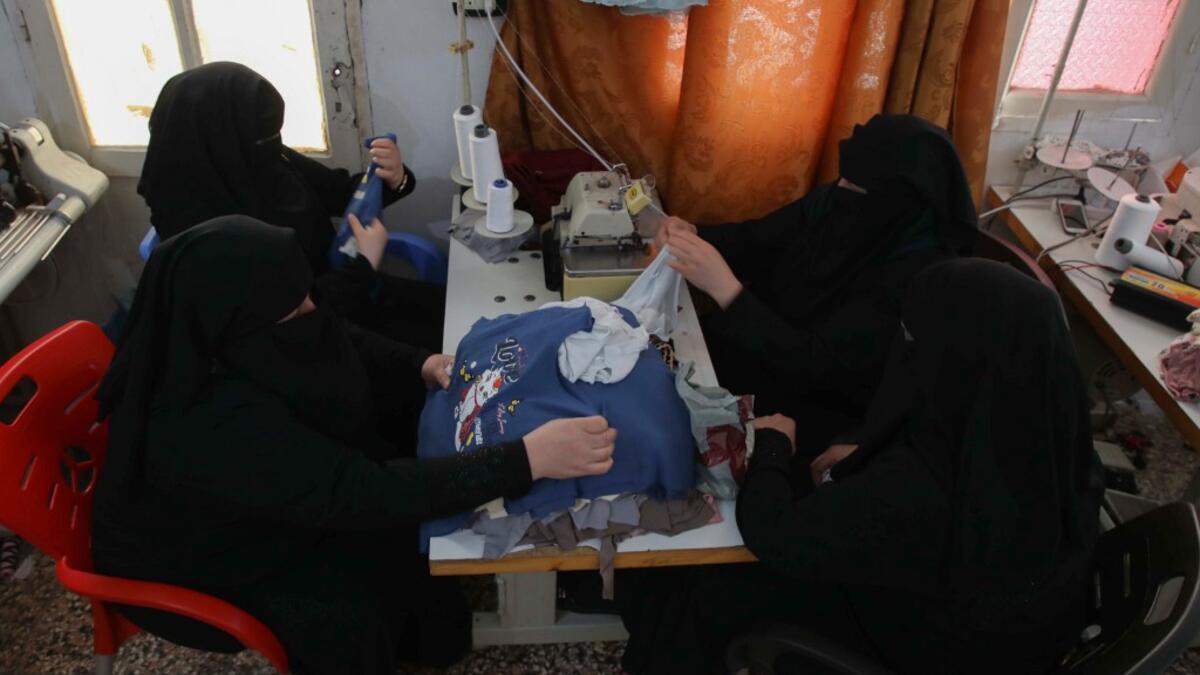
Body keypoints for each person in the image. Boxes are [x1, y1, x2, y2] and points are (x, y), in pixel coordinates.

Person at [90, 216, 618, 674]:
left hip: (265, 494)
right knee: (359, 604)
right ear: (232, 326)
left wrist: (420, 363)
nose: (310, 311)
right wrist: (528, 458)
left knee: (401, 477)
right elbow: (358, 490)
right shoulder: (206, 424)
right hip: (210, 557)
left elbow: (336, 332)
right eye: (292, 311)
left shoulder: (207, 335)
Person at [617, 259, 1104, 674]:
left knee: (700, 583)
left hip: (925, 648)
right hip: (1012, 635)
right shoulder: (1049, 432)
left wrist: (770, 445)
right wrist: (868, 449)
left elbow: (774, 535)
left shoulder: (915, 490)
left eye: (915, 336)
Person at [656, 114, 978, 452]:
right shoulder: (838, 201)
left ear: (899, 201)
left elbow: (819, 366)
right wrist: (693, 234)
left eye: (856, 187)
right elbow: (757, 239)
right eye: (844, 178)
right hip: (760, 349)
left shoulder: (918, 278)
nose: (840, 189)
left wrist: (727, 291)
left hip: (811, 407)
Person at [137, 61, 443, 351]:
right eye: (263, 137)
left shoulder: (262, 157)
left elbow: (341, 193)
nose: (273, 146)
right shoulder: (203, 240)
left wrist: (392, 177)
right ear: (223, 137)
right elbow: (286, 322)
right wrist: (362, 265)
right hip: (313, 341)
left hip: (347, 290)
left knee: (458, 312)